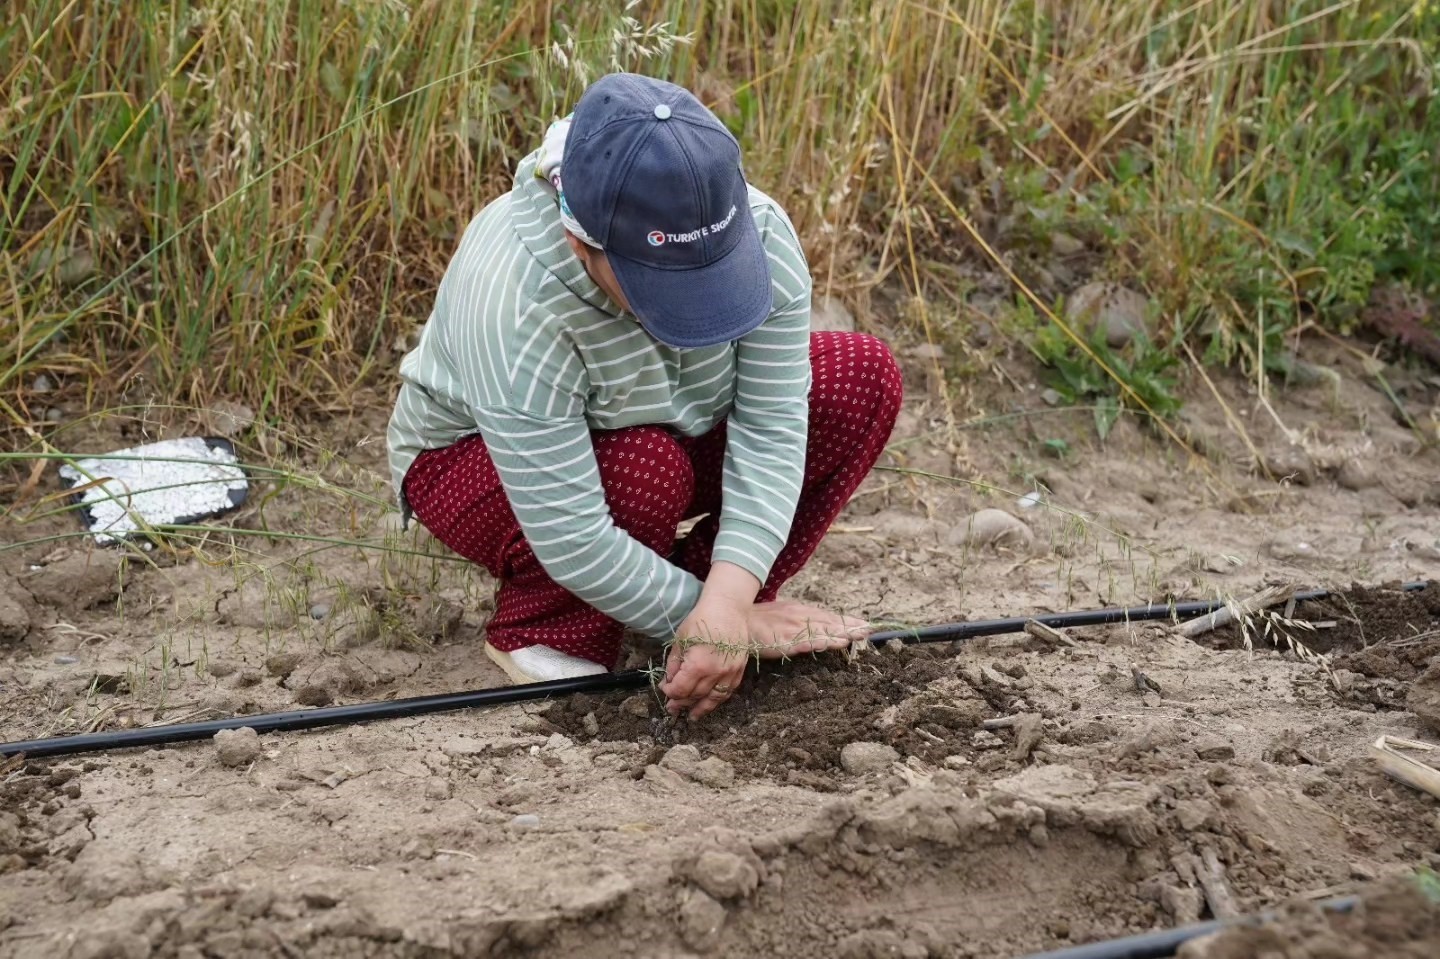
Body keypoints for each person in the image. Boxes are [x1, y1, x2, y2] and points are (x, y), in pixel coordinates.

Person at [387, 73, 902, 719]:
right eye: (664, 286)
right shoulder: (514, 299)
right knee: (643, 465)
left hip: (668, 421)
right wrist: (714, 619)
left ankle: (698, 607)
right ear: (581, 243)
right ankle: (546, 629)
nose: (697, 310)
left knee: (860, 376)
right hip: (473, 462)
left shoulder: (762, 229)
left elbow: (771, 427)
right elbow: (573, 534)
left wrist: (727, 603)